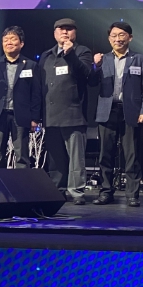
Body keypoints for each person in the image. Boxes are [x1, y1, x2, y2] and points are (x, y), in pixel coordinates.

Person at [88, 22, 143, 207]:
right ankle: (106, 192)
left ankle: (132, 194)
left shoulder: (139, 59)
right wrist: (95, 66)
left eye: (122, 35)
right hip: (107, 111)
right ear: (109, 39)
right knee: (105, 155)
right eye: (114, 35)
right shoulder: (104, 59)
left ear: (130, 37)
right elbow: (91, 83)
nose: (118, 39)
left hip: (130, 111)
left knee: (132, 155)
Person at [39, 18, 92, 205]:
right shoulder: (46, 55)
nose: (65, 32)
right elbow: (40, 85)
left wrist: (70, 54)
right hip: (50, 115)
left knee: (76, 158)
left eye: (69, 29)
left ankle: (76, 192)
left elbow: (86, 74)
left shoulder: (82, 51)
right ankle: (58, 190)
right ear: (54, 33)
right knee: (55, 159)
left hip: (73, 114)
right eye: (61, 29)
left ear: (75, 32)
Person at [0, 26, 41, 169]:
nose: (9, 42)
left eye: (13, 39)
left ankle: (21, 183)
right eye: (6, 40)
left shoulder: (31, 65)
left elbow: (36, 93)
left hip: (21, 115)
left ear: (21, 43)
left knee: (22, 156)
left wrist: (35, 118)